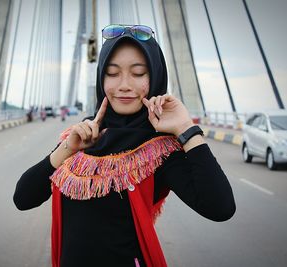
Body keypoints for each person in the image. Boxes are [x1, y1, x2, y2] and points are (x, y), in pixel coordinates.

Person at [13, 24, 236, 267]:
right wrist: (67, 149)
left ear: (155, 77)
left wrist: (186, 129)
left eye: (138, 73)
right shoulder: (83, 134)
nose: (124, 85)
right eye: (112, 72)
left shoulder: (158, 149)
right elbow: (23, 198)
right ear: (101, 77)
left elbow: (220, 207)